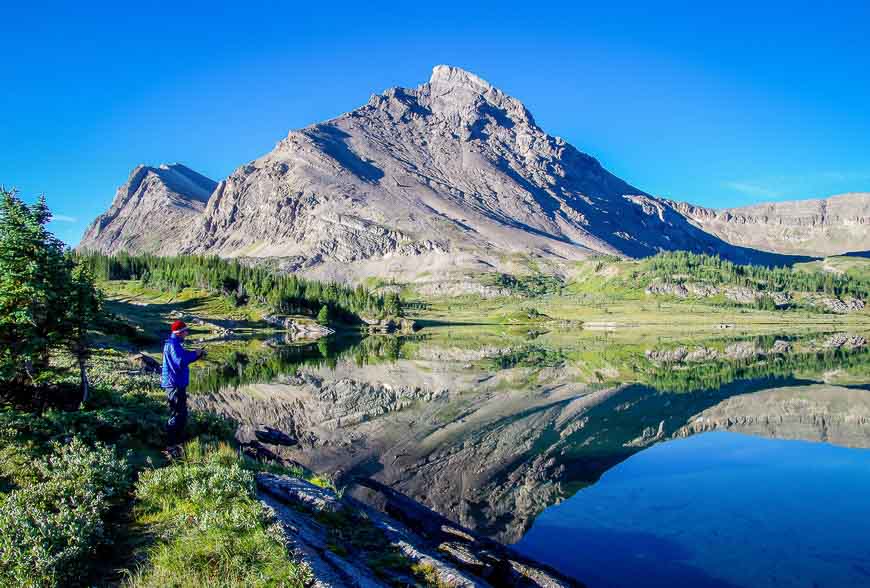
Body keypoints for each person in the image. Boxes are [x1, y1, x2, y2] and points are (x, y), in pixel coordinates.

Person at [161, 320, 205, 457]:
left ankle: (176, 444)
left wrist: (197, 355)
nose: (187, 333)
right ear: (179, 332)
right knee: (177, 414)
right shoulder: (173, 345)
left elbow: (183, 357)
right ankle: (170, 446)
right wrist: (195, 354)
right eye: (186, 331)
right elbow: (180, 361)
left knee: (181, 414)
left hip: (176, 383)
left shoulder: (175, 344)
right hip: (174, 384)